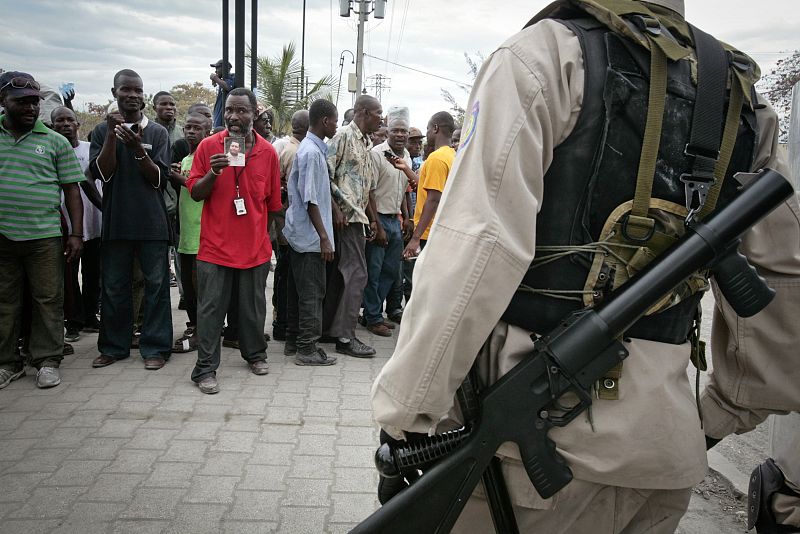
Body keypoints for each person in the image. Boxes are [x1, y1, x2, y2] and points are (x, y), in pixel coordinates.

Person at [370, 1, 800, 531]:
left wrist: (405, 418)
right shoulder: (740, 93)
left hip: (523, 466)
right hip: (662, 455)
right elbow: (784, 278)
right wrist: (720, 414)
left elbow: (475, 247)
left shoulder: (544, 56)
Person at [186, 87, 282, 394]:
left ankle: (255, 355)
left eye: (241, 110)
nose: (234, 116)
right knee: (210, 310)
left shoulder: (268, 152)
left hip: (254, 249)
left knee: (252, 309)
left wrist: (263, 239)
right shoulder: (208, 147)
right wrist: (214, 172)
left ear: (255, 114)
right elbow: (196, 193)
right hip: (214, 248)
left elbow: (271, 204)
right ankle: (205, 369)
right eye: (229, 110)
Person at [0, 71, 85, 390]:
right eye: (21, 102)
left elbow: (72, 190)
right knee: (5, 300)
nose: (30, 108)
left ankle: (48, 360)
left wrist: (76, 234)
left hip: (45, 236)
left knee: (48, 297)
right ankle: (8, 362)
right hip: (3, 235)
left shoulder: (54, 141)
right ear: (3, 101)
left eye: (34, 101)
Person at [90, 69, 173, 371]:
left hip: (152, 224)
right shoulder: (101, 131)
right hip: (116, 222)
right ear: (115, 93)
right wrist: (113, 137)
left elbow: (159, 180)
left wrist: (138, 148)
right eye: (126, 90)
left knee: (156, 286)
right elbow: (103, 173)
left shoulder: (157, 133)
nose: (133, 95)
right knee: (113, 287)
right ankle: (113, 347)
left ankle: (156, 347)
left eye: (138, 90)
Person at [323, 95, 385, 358]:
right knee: (357, 274)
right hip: (345, 217)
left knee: (343, 275)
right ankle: (346, 337)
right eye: (377, 113)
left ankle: (330, 330)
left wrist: (372, 219)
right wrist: (337, 210)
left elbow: (367, 187)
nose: (380, 119)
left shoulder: (366, 142)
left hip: (357, 218)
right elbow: (324, 175)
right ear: (363, 112)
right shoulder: (343, 136)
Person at [282, 99, 339, 366]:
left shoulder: (310, 149)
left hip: (301, 235)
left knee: (297, 291)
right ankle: (307, 348)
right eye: (335, 120)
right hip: (310, 238)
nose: (337, 126)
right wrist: (324, 238)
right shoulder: (312, 153)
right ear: (325, 121)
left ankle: (294, 340)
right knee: (312, 293)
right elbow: (310, 199)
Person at [51, 106, 103, 340]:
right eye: (59, 121)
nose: (65, 124)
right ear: (52, 126)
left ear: (77, 124)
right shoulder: (52, 150)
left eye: (69, 120)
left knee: (93, 273)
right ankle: (74, 320)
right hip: (67, 227)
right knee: (69, 276)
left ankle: (91, 317)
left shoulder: (90, 149)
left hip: (95, 222)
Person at [362, 116, 414, 337]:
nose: (401, 134)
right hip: (380, 219)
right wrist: (377, 224)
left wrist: (408, 217)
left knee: (391, 272)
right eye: (396, 131)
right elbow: (369, 190)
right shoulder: (376, 154)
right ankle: (373, 318)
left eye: (404, 131)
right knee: (374, 271)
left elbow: (403, 190)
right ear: (388, 132)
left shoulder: (407, 157)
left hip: (396, 219)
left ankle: (372, 313)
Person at [169, 112, 212, 354]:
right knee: (188, 287)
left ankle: (202, 332)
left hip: (201, 234)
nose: (191, 131)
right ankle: (194, 327)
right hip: (185, 234)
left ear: (208, 132)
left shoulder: (207, 159)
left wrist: (180, 179)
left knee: (200, 288)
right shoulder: (186, 158)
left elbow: (200, 187)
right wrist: (178, 177)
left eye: (197, 128)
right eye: (188, 127)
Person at [271, 110, 310, 341]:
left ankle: (281, 322)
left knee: (284, 274)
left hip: (284, 220)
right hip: (289, 221)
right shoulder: (296, 152)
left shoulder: (287, 148)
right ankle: (283, 324)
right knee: (287, 275)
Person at [402, 111, 456, 260]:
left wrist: (415, 238)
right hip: (443, 229)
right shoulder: (453, 156)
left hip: (429, 231)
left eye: (427, 128)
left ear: (435, 128)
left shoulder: (436, 158)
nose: (427, 133)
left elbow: (434, 199)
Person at [210, 59, 235, 129]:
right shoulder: (222, 81)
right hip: (218, 120)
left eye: (217, 68)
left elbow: (228, 87)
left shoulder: (233, 77)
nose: (216, 71)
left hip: (226, 119)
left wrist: (215, 78)